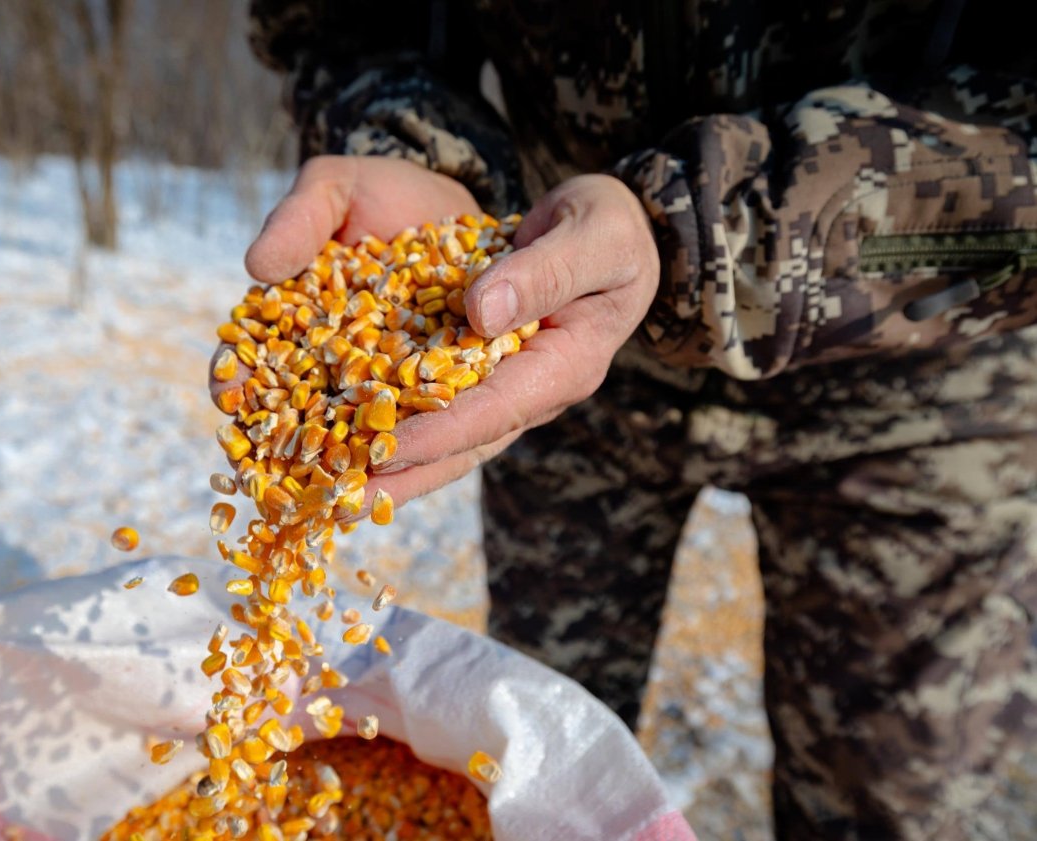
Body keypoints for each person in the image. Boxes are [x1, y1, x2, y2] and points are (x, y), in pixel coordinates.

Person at [236, 1, 1037, 837]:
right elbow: (342, 22)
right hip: (545, 325)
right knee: (535, 763)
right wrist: (412, 148)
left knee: (890, 806)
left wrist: (685, 234)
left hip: (919, 369)